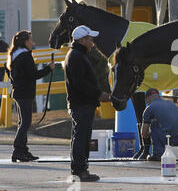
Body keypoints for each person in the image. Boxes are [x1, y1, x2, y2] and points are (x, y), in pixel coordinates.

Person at [65, 25, 110, 182]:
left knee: (80, 136)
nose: (92, 43)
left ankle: (79, 168)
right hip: (82, 103)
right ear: (83, 40)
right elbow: (80, 83)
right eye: (90, 39)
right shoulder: (77, 56)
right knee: (82, 137)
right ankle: (80, 169)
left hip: (81, 103)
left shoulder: (76, 54)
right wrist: (99, 94)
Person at [7, 30, 55, 162]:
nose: (32, 43)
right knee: (25, 122)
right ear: (25, 42)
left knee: (22, 122)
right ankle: (18, 150)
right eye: (30, 40)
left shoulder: (16, 55)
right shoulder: (25, 56)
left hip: (18, 92)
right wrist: (48, 69)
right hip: (24, 93)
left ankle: (23, 150)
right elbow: (33, 75)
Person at [141, 88, 178, 161]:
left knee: (154, 125)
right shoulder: (170, 103)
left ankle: (158, 154)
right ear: (158, 96)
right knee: (170, 124)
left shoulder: (149, 108)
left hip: (174, 138)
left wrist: (148, 135)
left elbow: (143, 133)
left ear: (148, 98)